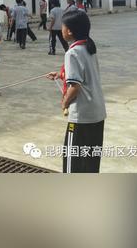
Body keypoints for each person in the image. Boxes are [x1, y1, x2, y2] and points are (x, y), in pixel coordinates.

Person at [46, 10, 106, 173]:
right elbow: (85, 76)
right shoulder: (88, 47)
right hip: (97, 113)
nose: (62, 29)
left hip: (81, 116)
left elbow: (75, 87)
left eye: (63, 26)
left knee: (73, 164)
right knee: (90, 162)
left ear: (70, 31)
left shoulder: (72, 52)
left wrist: (65, 102)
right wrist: (61, 75)